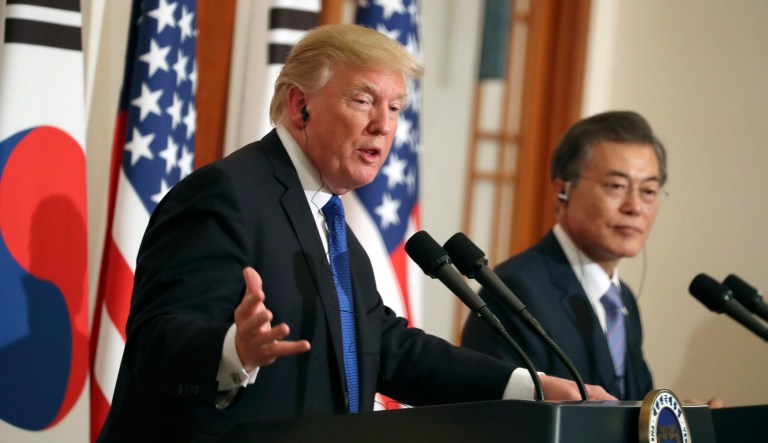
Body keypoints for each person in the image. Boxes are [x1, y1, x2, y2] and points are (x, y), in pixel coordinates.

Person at [97, 24, 613, 442]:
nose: (384, 126)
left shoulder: (330, 220)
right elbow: (157, 342)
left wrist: (533, 386)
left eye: (394, 109)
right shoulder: (226, 194)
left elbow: (389, 350)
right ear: (301, 106)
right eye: (364, 101)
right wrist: (234, 348)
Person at [462, 111, 662, 401]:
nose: (635, 207)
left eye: (649, 191)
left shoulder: (623, 300)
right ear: (562, 191)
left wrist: (683, 416)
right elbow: (496, 420)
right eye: (617, 186)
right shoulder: (514, 291)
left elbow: (633, 408)